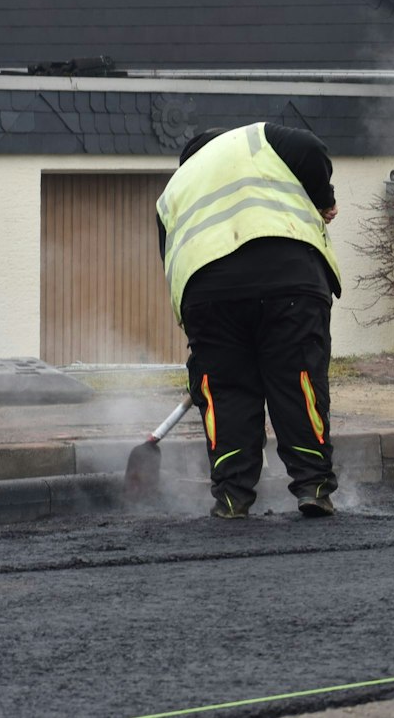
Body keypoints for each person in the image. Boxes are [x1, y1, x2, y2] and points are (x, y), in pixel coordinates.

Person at [155, 123, 342, 519]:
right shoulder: (256, 139)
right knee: (298, 381)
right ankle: (313, 487)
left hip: (207, 298)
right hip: (288, 282)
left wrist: (202, 352)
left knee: (227, 396)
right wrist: (322, 200)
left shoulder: (173, 190)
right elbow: (312, 146)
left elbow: (172, 260)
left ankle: (232, 498)